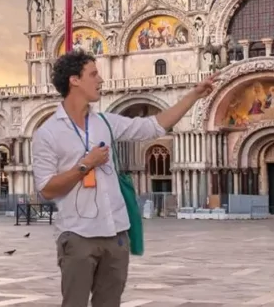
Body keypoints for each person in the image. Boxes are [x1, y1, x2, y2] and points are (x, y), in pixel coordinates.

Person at [32, 50, 215, 307]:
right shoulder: (48, 133)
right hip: (77, 236)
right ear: (74, 80)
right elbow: (46, 190)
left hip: (116, 234)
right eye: (93, 74)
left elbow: (155, 125)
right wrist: (86, 164)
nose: (101, 80)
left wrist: (194, 95)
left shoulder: (106, 123)